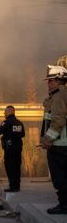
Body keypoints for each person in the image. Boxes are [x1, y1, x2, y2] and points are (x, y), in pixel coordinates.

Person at [40, 65, 67, 214]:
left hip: (59, 145)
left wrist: (47, 139)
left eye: (51, 81)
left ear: (58, 81)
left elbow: (57, 121)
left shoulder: (59, 96)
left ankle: (64, 205)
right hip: (63, 144)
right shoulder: (62, 95)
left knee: (59, 177)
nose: (48, 84)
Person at [0, 106, 25, 192]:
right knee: (17, 167)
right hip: (18, 148)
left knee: (10, 167)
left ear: (10, 112)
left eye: (5, 112)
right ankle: (17, 186)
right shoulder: (19, 123)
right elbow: (23, 134)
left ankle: (12, 187)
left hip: (9, 148)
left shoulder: (7, 122)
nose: (4, 114)